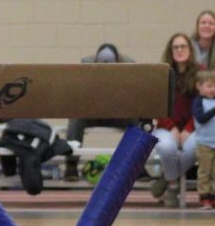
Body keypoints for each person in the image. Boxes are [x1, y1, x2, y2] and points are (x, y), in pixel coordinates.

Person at [62, 43, 137, 181]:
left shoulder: (129, 67)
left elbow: (132, 97)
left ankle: (138, 165)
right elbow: (79, 96)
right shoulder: (86, 66)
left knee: (137, 119)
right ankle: (71, 165)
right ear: (96, 62)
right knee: (75, 117)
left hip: (118, 113)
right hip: (94, 113)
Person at [150, 32, 198, 207]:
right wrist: (171, 127)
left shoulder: (199, 74)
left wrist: (189, 128)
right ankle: (173, 184)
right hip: (166, 126)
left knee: (194, 148)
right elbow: (157, 105)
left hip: (193, 128)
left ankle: (168, 178)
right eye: (175, 47)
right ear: (170, 51)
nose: (179, 50)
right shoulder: (163, 74)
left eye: (183, 46)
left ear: (190, 50)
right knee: (166, 147)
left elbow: (203, 104)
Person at [192, 71, 215, 209]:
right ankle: (204, 196)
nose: (213, 89)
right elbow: (201, 118)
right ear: (199, 86)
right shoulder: (198, 102)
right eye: (209, 85)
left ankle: (213, 195)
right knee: (205, 171)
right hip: (204, 143)